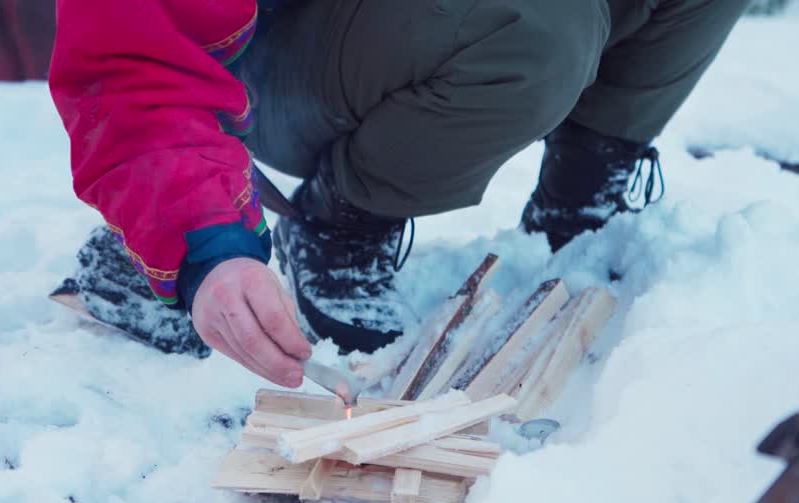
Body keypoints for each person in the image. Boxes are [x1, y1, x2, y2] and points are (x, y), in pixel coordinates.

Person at [49, 0, 747, 387]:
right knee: (536, 29)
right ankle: (342, 224)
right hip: (278, 59)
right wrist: (204, 243)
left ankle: (580, 203)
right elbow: (132, 61)